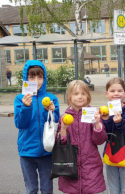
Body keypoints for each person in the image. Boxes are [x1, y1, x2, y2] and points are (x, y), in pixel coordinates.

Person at [14, 60, 60, 194]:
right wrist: (25, 107)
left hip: (46, 151)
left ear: (44, 78)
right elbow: (20, 124)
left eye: (40, 77)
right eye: (32, 77)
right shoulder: (20, 98)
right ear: (26, 78)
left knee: (47, 189)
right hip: (27, 151)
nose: (36, 80)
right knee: (31, 189)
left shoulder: (51, 98)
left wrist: (50, 110)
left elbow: (55, 123)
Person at [57, 80, 107, 193]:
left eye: (83, 94)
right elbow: (61, 144)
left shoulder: (92, 114)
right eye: (76, 94)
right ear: (69, 97)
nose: (80, 97)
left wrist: (97, 124)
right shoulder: (64, 117)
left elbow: (99, 140)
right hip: (70, 166)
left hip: (91, 166)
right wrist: (63, 129)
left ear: (88, 96)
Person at [101, 77, 125, 194]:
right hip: (111, 157)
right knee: (113, 190)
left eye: (119, 91)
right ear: (106, 94)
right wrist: (105, 120)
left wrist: (120, 123)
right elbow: (105, 136)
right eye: (112, 91)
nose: (116, 93)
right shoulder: (105, 111)